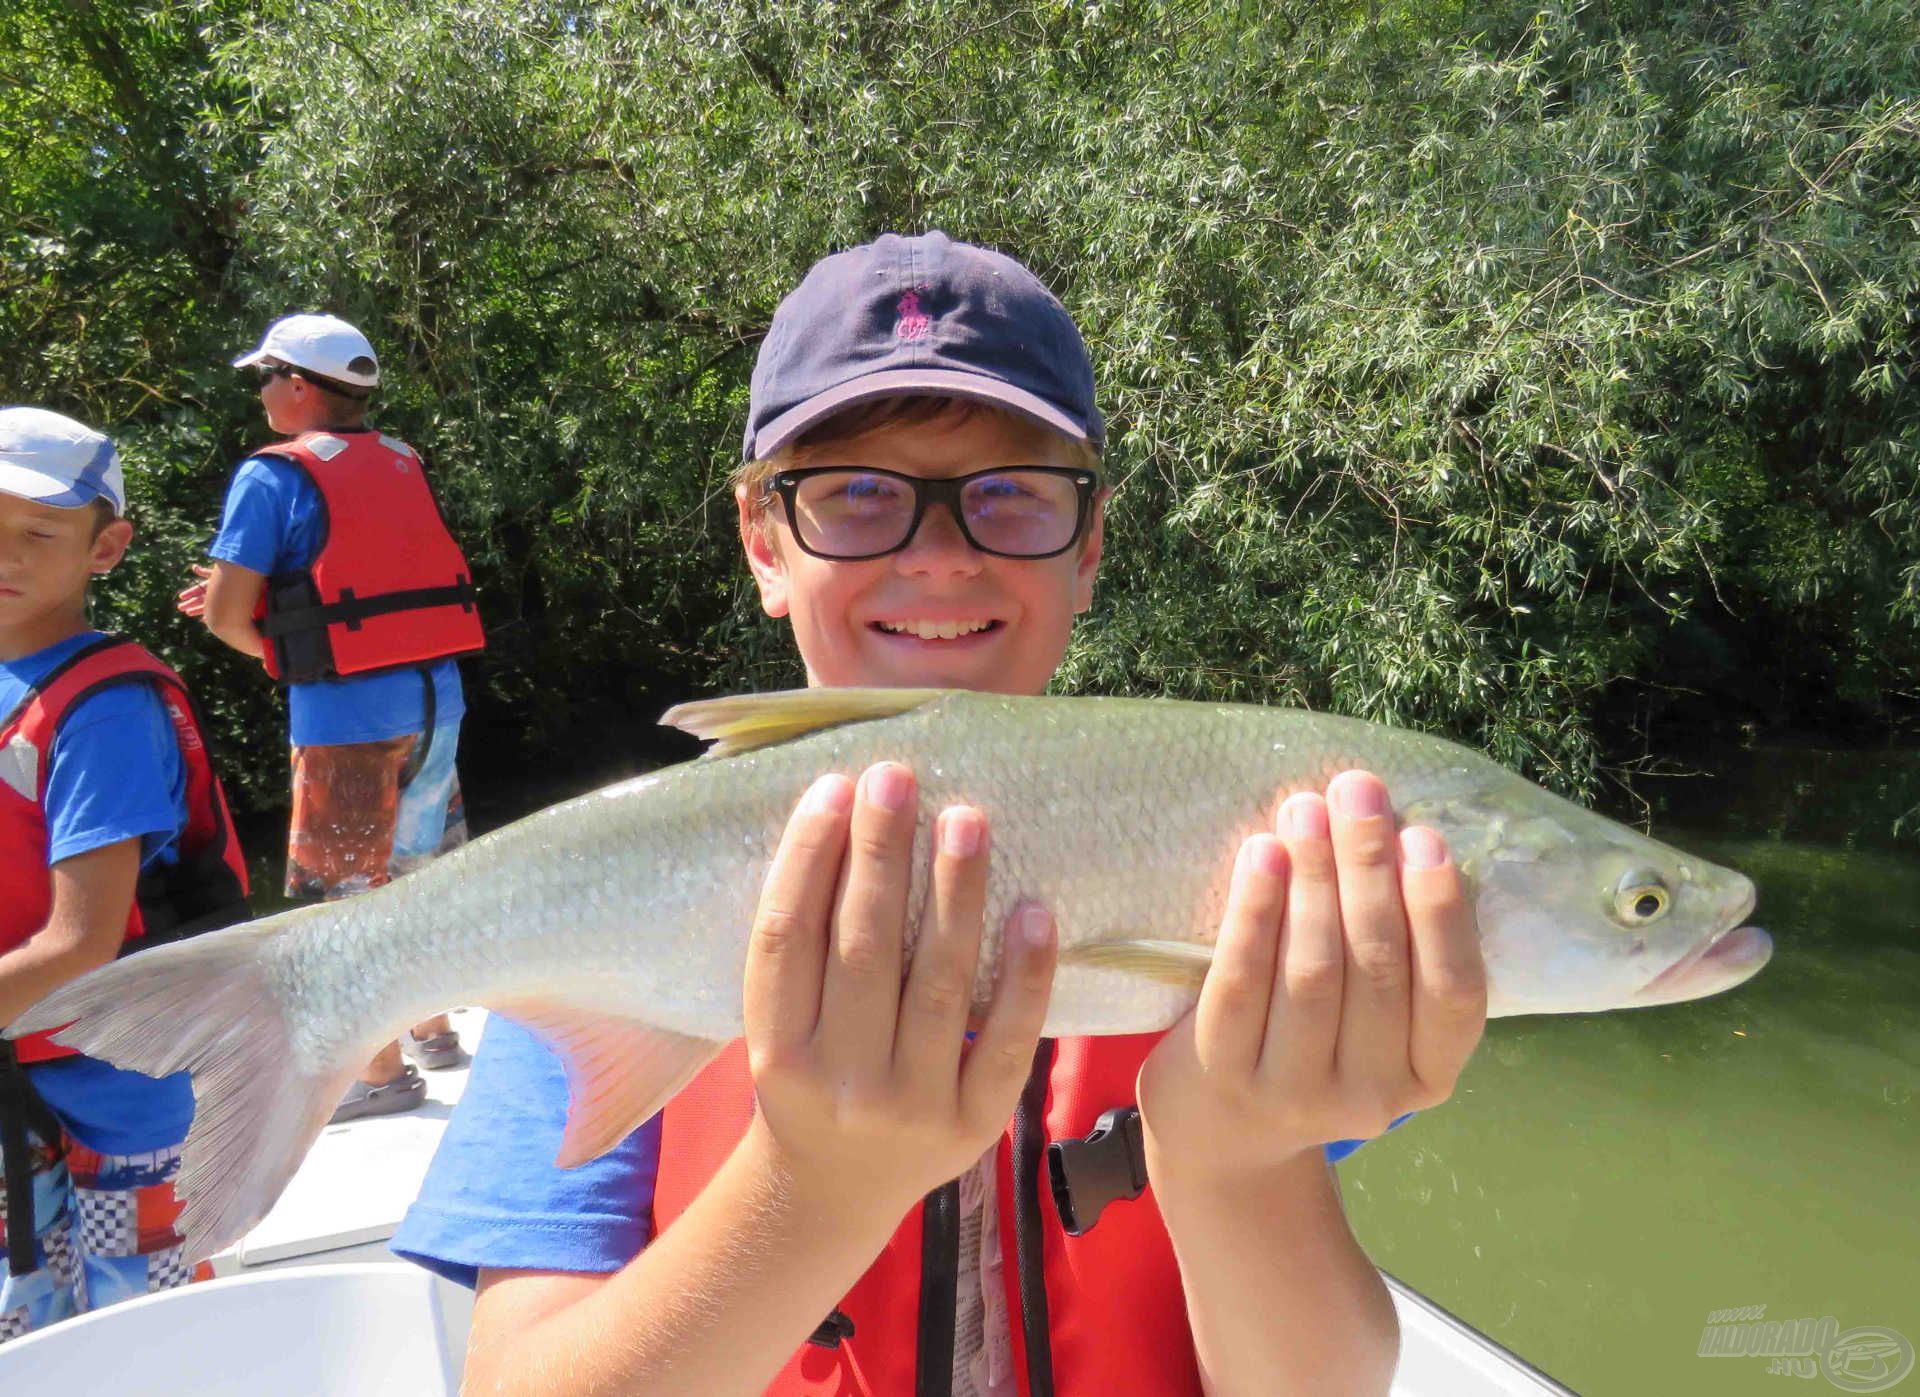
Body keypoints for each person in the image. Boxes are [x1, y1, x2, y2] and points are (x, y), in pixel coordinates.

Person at [393, 231, 1489, 1395]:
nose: (940, 556)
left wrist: (1239, 1159)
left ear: (1092, 540)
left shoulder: (1243, 872)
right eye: (857, 495)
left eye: (1010, 496)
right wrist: (812, 1192)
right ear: (765, 540)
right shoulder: (604, 912)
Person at [177, 314, 484, 1121]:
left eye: (266, 376)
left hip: (347, 717)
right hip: (434, 700)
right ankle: (435, 1030)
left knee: (347, 900)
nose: (263, 391)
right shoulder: (401, 458)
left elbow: (223, 616)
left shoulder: (269, 477)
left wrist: (275, 645)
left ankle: (376, 1075)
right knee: (421, 874)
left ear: (300, 385)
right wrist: (276, 620)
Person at [0, 407, 251, 1341]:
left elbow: (82, 942)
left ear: (105, 547)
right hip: (17, 1076)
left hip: (123, 1081)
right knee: (31, 1334)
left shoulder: (102, 709)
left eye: (38, 532)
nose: (6, 556)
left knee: (146, 1337)